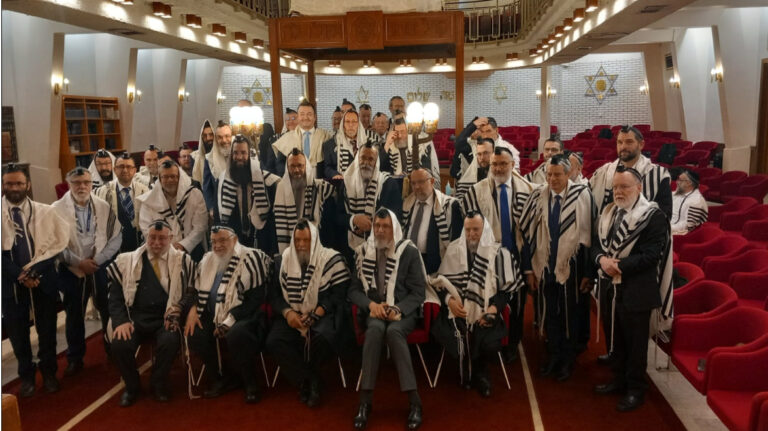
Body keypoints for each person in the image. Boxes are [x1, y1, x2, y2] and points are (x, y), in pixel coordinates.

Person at [590, 166, 672, 412]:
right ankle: (618, 379)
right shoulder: (608, 213)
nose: (618, 191)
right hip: (609, 287)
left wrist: (617, 266)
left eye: (624, 187)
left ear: (639, 187)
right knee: (614, 337)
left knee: (636, 345)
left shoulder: (653, 216)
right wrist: (601, 261)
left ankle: (636, 389)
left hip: (637, 290)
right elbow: (596, 246)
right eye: (615, 187)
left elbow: (651, 255)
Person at [589, 126, 672, 364]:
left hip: (638, 270)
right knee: (612, 324)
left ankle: (633, 377)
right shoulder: (608, 176)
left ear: (641, 144)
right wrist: (603, 260)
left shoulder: (657, 176)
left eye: (628, 142)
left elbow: (663, 220)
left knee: (635, 335)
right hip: (609, 270)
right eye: (619, 142)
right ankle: (616, 361)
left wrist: (621, 262)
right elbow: (600, 230)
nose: (623, 147)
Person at [519, 155, 596, 382]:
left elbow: (591, 236)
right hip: (544, 266)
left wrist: (589, 273)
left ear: (568, 173)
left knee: (570, 316)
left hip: (572, 268)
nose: (552, 179)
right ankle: (553, 355)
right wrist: (529, 270)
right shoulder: (537, 196)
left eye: (557, 174)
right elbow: (526, 235)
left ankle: (567, 360)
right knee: (549, 314)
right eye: (549, 174)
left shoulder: (582, 195)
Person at [429, 213, 523, 396]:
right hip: (458, 311)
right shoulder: (453, 250)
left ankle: (480, 374)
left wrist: (493, 309)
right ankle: (465, 371)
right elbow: (439, 284)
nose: (471, 234)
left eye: (476, 230)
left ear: (484, 229)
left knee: (487, 342)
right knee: (457, 337)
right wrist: (449, 301)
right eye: (468, 230)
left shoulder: (498, 253)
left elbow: (506, 291)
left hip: (487, 310)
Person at [348, 209, 425, 430]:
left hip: (401, 312)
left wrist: (398, 308)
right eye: (377, 226)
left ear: (394, 229)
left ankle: (415, 402)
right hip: (375, 311)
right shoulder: (363, 251)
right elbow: (353, 291)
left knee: (394, 331)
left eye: (385, 226)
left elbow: (418, 292)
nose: (380, 231)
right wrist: (371, 305)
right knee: (374, 331)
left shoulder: (408, 252)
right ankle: (365, 403)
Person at [106, 220, 197, 406]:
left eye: (162, 238)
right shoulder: (126, 261)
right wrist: (121, 321)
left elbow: (192, 293)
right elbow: (114, 297)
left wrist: (179, 311)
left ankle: (158, 383)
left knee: (170, 340)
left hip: (165, 318)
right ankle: (132, 387)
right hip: (134, 318)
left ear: (171, 238)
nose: (156, 243)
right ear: (146, 237)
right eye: (152, 237)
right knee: (120, 343)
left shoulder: (183, 261)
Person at [460, 146, 533, 363]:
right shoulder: (477, 191)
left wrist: (529, 268)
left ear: (512, 165)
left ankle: (512, 344)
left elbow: (530, 233)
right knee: (490, 298)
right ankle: (490, 339)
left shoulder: (527, 190)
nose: (498, 168)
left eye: (503, 164)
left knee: (517, 303)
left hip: (516, 254)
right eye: (494, 164)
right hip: (488, 256)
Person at [2, 164, 70, 397]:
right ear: (3, 185)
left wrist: (34, 272)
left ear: (28, 185)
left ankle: (49, 373)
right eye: (9, 183)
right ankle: (27, 377)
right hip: (11, 283)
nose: (14, 188)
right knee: (18, 334)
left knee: (47, 330)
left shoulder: (45, 212)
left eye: (19, 183)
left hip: (43, 279)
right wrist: (19, 275)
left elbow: (56, 245)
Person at [266, 220, 350, 407]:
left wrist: (317, 313)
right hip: (292, 314)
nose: (301, 245)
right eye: (297, 240)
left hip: (322, 313)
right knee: (274, 341)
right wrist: (288, 313)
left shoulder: (331, 259)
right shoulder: (282, 260)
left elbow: (338, 295)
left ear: (315, 240)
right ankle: (308, 380)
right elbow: (274, 296)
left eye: (306, 240)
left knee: (323, 338)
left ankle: (310, 382)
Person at [185, 226, 272, 403]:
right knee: (194, 332)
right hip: (212, 314)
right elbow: (193, 288)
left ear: (235, 239)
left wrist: (229, 320)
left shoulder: (252, 257)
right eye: (214, 242)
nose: (217, 245)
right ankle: (222, 378)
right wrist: (193, 309)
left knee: (236, 333)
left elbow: (255, 300)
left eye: (222, 240)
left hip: (245, 315)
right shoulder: (207, 259)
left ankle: (250, 383)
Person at [53, 167, 122, 375]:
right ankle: (75, 358)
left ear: (92, 184)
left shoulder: (102, 206)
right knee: (74, 314)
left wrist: (98, 259)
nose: (82, 186)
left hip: (99, 266)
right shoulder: (56, 209)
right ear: (69, 184)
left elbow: (116, 236)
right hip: (71, 270)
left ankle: (113, 349)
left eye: (86, 182)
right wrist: (77, 262)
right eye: (76, 182)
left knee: (108, 309)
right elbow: (53, 243)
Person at [215, 135, 279, 251]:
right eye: (235, 153)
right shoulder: (222, 182)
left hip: (259, 240)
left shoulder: (264, 180)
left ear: (250, 154)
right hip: (233, 240)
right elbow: (217, 216)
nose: (239, 157)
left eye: (243, 153)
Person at [138, 161, 207, 260]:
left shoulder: (194, 194)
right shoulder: (149, 200)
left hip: (190, 250)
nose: (170, 180)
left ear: (180, 177)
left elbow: (200, 226)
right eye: (165, 177)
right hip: (159, 250)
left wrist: (183, 245)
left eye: (173, 176)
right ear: (159, 179)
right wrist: (165, 246)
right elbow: (146, 229)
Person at [342, 143, 403, 252]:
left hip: (381, 246)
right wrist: (354, 220)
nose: (366, 163)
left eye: (371, 159)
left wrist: (370, 226)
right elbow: (338, 215)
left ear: (376, 162)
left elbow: (395, 217)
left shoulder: (388, 184)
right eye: (363, 158)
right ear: (357, 159)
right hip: (350, 247)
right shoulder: (347, 183)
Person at [402, 167, 462, 274]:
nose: (417, 187)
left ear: (432, 181)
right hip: (409, 264)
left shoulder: (449, 206)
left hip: (435, 267)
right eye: (413, 183)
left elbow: (456, 243)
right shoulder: (407, 205)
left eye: (421, 182)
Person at [274, 149, 334, 253]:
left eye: (300, 165)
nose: (296, 170)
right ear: (287, 167)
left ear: (306, 166)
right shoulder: (281, 188)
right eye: (292, 166)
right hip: (289, 240)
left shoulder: (318, 187)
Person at [95, 153, 149, 252]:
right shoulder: (102, 192)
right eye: (121, 167)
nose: (125, 170)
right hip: (112, 248)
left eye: (129, 167)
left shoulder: (144, 191)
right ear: (115, 169)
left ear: (135, 170)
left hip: (139, 244)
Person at [380, 111, 441, 188]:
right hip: (395, 186)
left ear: (408, 130)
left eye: (402, 131)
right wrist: (387, 144)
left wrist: (408, 176)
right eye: (397, 132)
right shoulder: (390, 145)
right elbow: (381, 168)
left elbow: (427, 169)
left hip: (418, 185)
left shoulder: (422, 144)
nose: (400, 135)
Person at [272, 100, 332, 178]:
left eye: (309, 114)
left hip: (319, 181)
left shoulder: (325, 136)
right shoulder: (287, 138)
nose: (306, 117)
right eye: (302, 114)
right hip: (293, 182)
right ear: (298, 117)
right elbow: (280, 163)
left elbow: (330, 163)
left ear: (315, 117)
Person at [451, 117, 520, 179]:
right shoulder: (476, 145)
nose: (485, 135)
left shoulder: (510, 149)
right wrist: (473, 125)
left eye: (488, 131)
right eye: (482, 132)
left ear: (496, 130)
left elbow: (515, 176)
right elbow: (458, 144)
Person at [322, 109, 366, 180]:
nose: (351, 125)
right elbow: (327, 168)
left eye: (354, 122)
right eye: (347, 122)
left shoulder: (367, 144)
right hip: (340, 183)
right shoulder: (330, 144)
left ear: (358, 124)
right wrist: (334, 174)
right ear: (343, 124)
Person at [202, 121, 233, 213]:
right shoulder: (209, 159)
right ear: (215, 139)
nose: (224, 140)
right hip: (219, 207)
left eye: (227, 136)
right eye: (220, 137)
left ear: (232, 136)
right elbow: (207, 187)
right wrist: (211, 208)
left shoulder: (241, 154)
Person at [671, 169, 708, 235]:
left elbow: (688, 226)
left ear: (689, 183)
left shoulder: (696, 201)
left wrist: (667, 227)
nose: (677, 182)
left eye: (680, 180)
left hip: (680, 234)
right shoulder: (676, 194)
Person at [191, 119, 214, 184]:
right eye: (205, 136)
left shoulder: (222, 155)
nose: (208, 138)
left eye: (211, 135)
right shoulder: (194, 157)